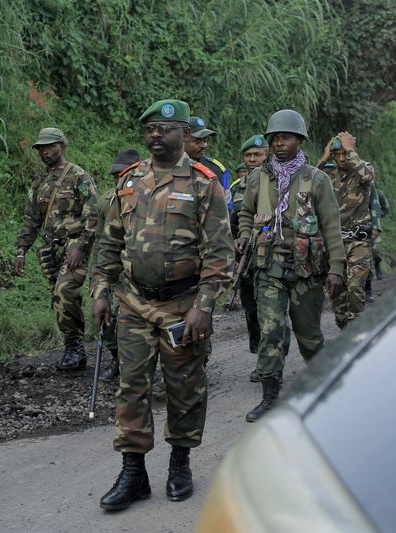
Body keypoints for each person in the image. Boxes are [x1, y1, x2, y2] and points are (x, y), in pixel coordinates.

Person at [92, 99, 233, 511]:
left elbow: (220, 255)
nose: (157, 135)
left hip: (182, 305)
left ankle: (180, 464)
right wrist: (100, 290)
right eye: (151, 128)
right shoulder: (130, 182)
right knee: (131, 387)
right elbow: (109, 244)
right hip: (134, 303)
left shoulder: (205, 183)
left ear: (184, 134)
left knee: (184, 389)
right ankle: (133, 471)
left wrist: (203, 306)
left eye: (166, 129)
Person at [236, 109, 345, 422]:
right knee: (270, 332)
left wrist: (336, 268)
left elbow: (331, 225)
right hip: (269, 266)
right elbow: (245, 213)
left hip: (306, 269)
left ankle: (327, 389)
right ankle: (270, 396)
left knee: (309, 335)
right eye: (275, 138)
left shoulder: (317, 179)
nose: (279, 143)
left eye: (286, 137)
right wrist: (244, 235)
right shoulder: (259, 178)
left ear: (300, 140)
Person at [13, 128, 98, 371]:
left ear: (62, 146)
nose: (45, 151)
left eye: (50, 146)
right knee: (59, 298)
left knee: (64, 291)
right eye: (41, 148)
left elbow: (92, 216)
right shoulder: (39, 182)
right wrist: (21, 250)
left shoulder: (79, 177)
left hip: (74, 245)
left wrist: (81, 248)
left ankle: (74, 347)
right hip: (51, 248)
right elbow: (31, 219)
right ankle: (76, 348)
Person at [230, 134, 289, 383]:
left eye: (258, 155)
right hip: (245, 259)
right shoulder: (234, 188)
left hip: (271, 258)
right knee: (251, 311)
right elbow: (229, 221)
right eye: (248, 156)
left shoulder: (277, 182)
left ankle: (273, 360)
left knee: (271, 312)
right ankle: (260, 355)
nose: (252, 160)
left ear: (268, 156)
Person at [316, 132, 374, 329]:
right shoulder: (327, 175)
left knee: (356, 287)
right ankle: (344, 325)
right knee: (335, 289)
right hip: (333, 242)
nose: (341, 159)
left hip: (358, 241)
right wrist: (323, 159)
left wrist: (350, 150)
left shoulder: (361, 171)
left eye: (344, 154)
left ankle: (358, 329)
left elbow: (367, 176)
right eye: (337, 155)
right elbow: (305, 186)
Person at [92, 148, 141, 382]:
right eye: (116, 176)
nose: (120, 180)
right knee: (109, 319)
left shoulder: (150, 197)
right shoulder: (106, 201)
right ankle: (117, 360)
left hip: (141, 273)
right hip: (115, 272)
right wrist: (99, 277)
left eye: (125, 174)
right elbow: (102, 241)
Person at [184, 116, 233, 211]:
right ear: (182, 139)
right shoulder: (168, 166)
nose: (204, 145)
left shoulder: (217, 169)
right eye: (197, 141)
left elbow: (227, 207)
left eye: (205, 141)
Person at [364, 183, 389, 302]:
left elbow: (385, 208)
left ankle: (377, 265)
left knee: (375, 252)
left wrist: (376, 218)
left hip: (371, 227)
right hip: (355, 228)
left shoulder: (377, 193)